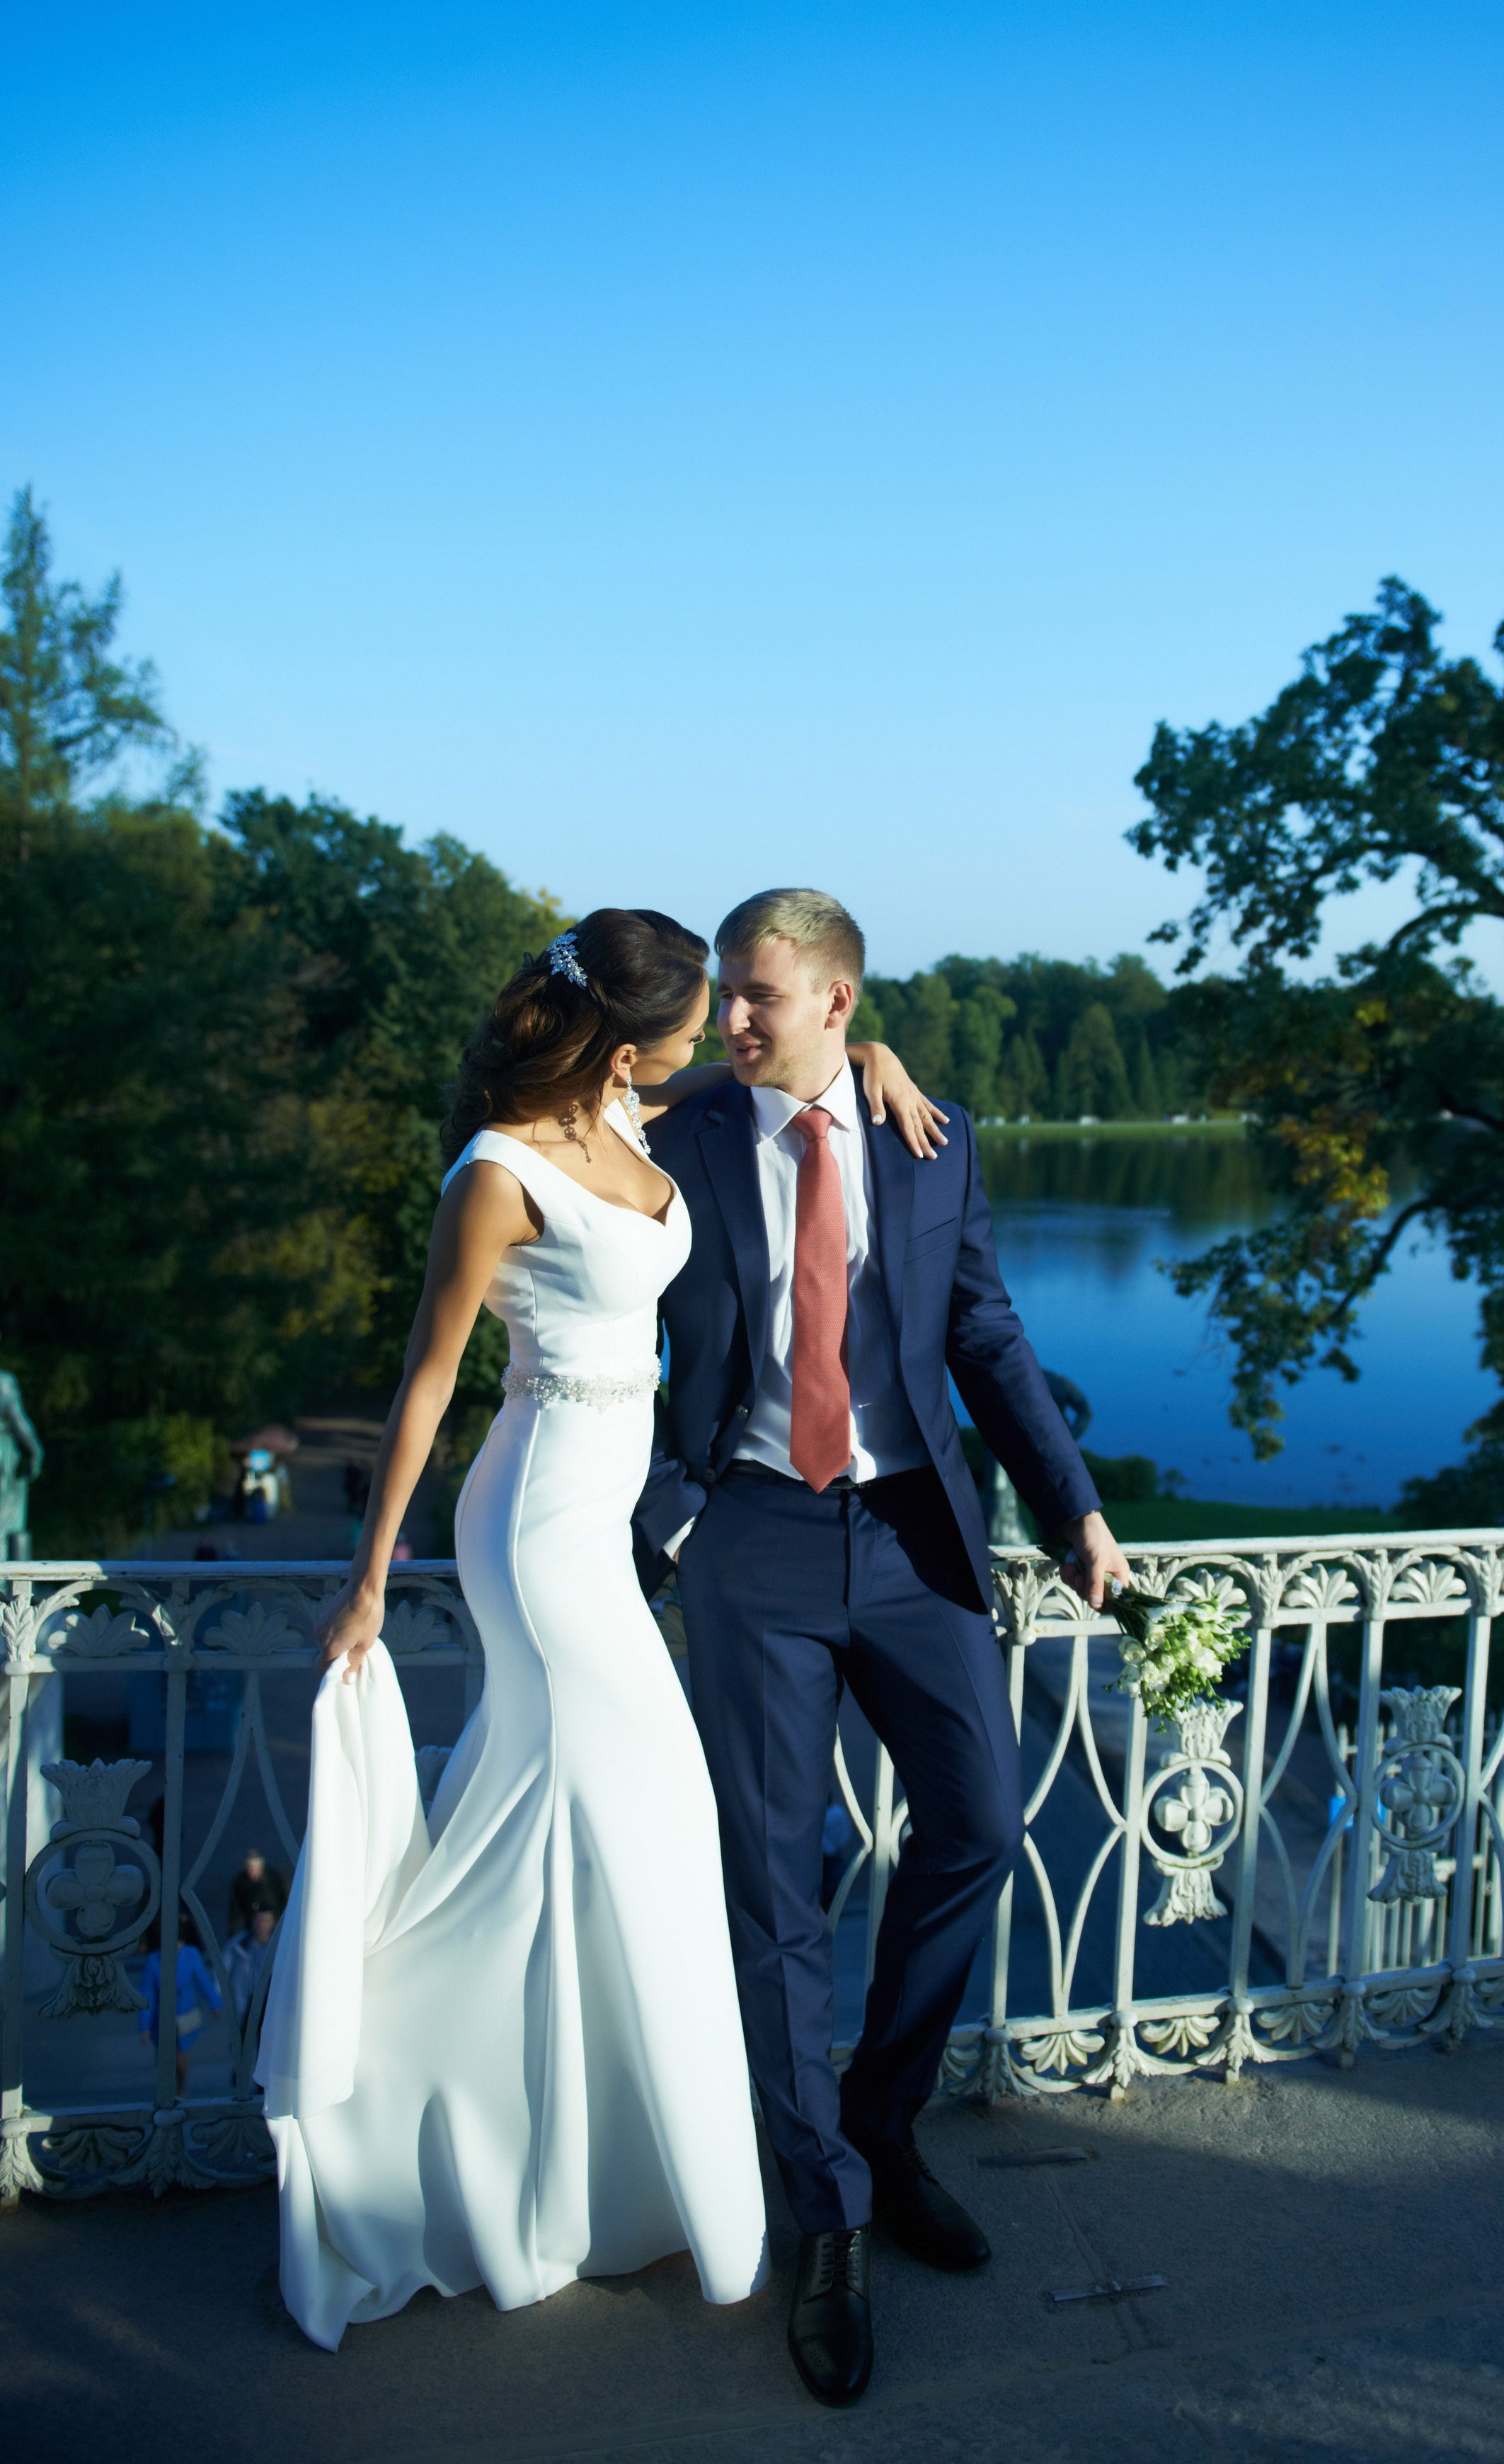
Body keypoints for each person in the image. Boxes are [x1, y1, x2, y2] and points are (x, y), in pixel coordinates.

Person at [259, 908, 939, 2354]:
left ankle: (561, 2155)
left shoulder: (640, 1104)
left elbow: (782, 1067)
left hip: (609, 1531)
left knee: (572, 1831)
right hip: (533, 1530)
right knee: (646, 1813)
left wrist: (864, 1046)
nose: (719, 1044)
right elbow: (429, 1380)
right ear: (628, 1040)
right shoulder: (494, 1173)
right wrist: (372, 1576)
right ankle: (406, 2131)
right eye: (699, 1026)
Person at [636, 887, 1130, 2409]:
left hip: (917, 1537)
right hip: (752, 1536)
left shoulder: (937, 1139)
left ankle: (880, 2111)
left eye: (757, 996)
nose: (729, 1017)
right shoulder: (689, 1130)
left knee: (979, 1819)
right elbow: (538, 1092)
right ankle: (830, 2219)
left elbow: (983, 1334)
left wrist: (1073, 1514)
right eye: (723, 992)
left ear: (837, 1004)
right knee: (772, 1881)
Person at [140, 1906, 222, 2094]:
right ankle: (167, 2090)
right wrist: (144, 2027)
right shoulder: (154, 1960)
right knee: (162, 2057)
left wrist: (215, 2004)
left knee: (180, 2055)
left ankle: (180, 2092)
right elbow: (147, 1995)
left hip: (184, 2014)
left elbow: (203, 1982)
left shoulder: (191, 1954)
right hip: (160, 2019)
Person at [223, 1902, 280, 2028]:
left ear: (274, 1923)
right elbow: (222, 1970)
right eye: (257, 1919)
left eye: (265, 1921)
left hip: (268, 2000)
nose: (260, 1924)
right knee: (241, 2038)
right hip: (245, 1998)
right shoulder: (238, 1944)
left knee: (264, 2039)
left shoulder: (279, 1948)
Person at [228, 1847, 289, 1935]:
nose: (252, 1872)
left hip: (274, 1923)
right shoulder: (241, 1882)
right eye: (249, 1868)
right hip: (251, 1925)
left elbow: (285, 1898)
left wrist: (279, 1920)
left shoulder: (274, 1878)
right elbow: (235, 1909)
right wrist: (233, 1932)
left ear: (261, 1866)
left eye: (254, 1868)